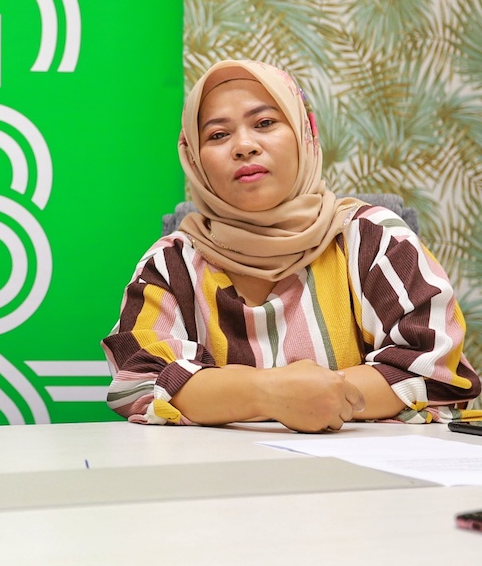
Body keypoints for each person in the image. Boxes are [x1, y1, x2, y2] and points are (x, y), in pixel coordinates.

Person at [101, 59, 481, 433]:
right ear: (194, 158)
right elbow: (136, 379)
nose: (244, 146)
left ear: (305, 134)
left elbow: (436, 366)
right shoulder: (171, 263)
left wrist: (304, 397)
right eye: (218, 135)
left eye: (265, 123)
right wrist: (270, 394)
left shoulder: (374, 237)